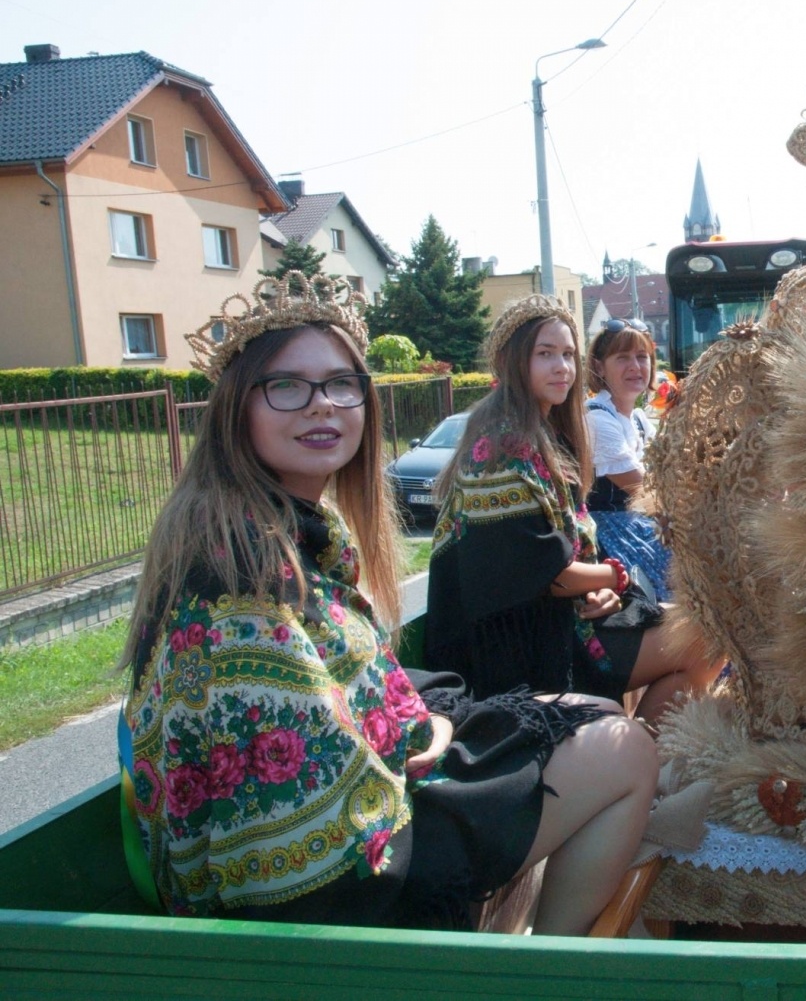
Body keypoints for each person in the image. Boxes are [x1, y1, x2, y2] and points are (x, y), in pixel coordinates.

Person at [119, 274, 656, 933]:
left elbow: (362, 683)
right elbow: (317, 833)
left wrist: (427, 721)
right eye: (287, 385)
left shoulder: (291, 530)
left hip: (387, 789)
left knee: (597, 717)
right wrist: (426, 731)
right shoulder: (236, 575)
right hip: (353, 879)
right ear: (238, 409)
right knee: (626, 748)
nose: (322, 405)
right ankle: (544, 966)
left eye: (341, 383)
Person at [426, 297, 719, 725]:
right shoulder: (504, 448)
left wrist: (601, 588)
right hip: (520, 650)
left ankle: (640, 769)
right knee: (706, 637)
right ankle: (630, 766)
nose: (562, 366)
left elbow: (566, 560)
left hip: (562, 617)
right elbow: (547, 573)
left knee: (703, 639)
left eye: (567, 354)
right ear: (511, 362)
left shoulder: (543, 434)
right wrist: (614, 578)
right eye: (544, 354)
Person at [584, 317, 673, 600]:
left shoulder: (637, 419)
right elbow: (644, 490)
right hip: (612, 534)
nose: (635, 366)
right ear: (599, 366)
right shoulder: (597, 419)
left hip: (642, 524)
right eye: (622, 358)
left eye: (642, 356)